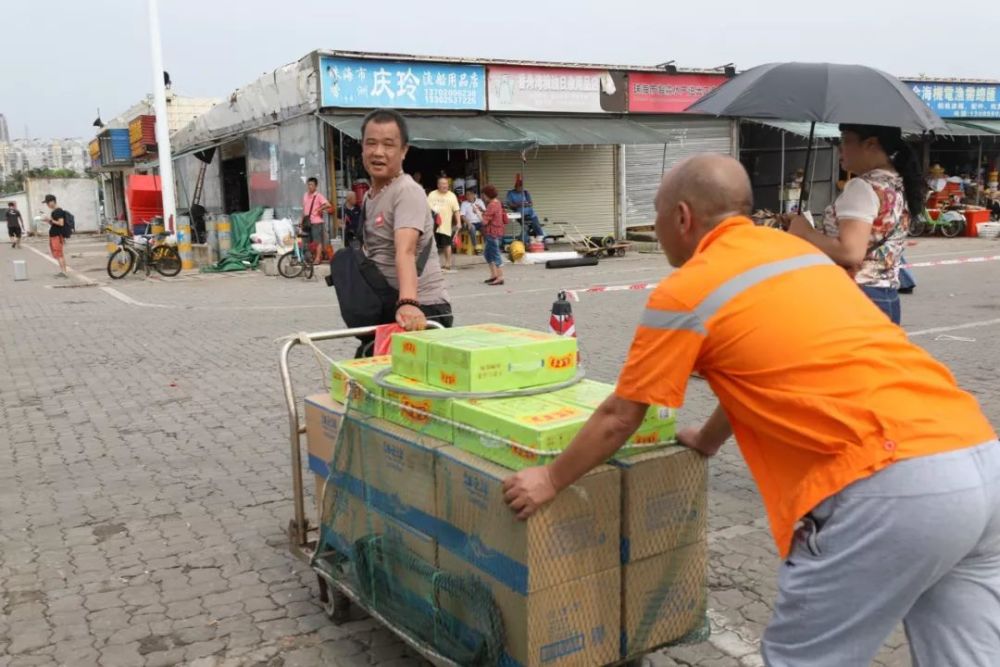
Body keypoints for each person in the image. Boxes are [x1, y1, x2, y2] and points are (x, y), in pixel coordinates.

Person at [503, 154, 999, 667]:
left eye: (656, 213)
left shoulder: (689, 289)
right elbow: (775, 364)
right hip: (975, 455)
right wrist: (709, 440)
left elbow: (620, 416)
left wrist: (551, 480)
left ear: (681, 218)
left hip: (887, 482)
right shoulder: (796, 253)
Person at [785, 125, 924, 325]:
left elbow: (850, 252)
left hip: (858, 296)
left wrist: (804, 232)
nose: (839, 148)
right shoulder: (895, 182)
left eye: (846, 140)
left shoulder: (863, 187)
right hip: (885, 296)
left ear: (870, 144)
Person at [359, 108, 452, 336]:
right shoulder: (369, 197)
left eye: (388, 145)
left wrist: (409, 301)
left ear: (404, 151)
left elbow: (406, 250)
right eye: (371, 143)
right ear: (362, 147)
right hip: (389, 304)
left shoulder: (407, 191)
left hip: (421, 308)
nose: (378, 152)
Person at [427, 176, 461, 272]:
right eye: (442, 184)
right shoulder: (432, 194)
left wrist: (458, 222)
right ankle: (433, 265)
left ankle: (448, 264)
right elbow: (426, 208)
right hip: (433, 226)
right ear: (438, 185)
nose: (445, 186)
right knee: (432, 246)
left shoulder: (452, 196)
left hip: (445, 225)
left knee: (447, 244)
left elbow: (456, 210)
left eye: (446, 184)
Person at [480, 184, 505, 286]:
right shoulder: (497, 202)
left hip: (492, 233)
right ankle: (494, 275)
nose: (483, 197)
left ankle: (500, 277)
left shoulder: (492, 205)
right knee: (488, 254)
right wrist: (482, 211)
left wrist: (477, 212)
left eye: (484, 195)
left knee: (495, 254)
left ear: (488, 194)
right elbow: (489, 215)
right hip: (494, 232)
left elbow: (484, 221)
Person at [302, 177, 332, 265]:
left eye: (311, 185)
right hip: (307, 221)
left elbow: (328, 205)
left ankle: (318, 258)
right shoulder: (305, 195)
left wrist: (319, 209)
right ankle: (310, 257)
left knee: (317, 241)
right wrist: (301, 222)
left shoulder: (318, 196)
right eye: (309, 184)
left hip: (316, 222)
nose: (310, 186)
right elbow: (304, 209)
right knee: (307, 240)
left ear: (316, 186)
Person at [505, 175, 544, 240]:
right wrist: (519, 204)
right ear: (515, 187)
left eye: (521, 187)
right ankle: (522, 241)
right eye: (519, 187)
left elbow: (531, 203)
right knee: (526, 227)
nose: (520, 189)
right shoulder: (510, 193)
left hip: (531, 213)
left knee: (536, 227)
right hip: (520, 214)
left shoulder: (525, 192)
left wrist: (527, 204)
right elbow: (509, 205)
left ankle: (539, 239)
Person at [43, 194, 69, 277]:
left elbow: (61, 223)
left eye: (47, 203)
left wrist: (50, 220)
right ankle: (63, 271)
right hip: (55, 235)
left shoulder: (58, 211)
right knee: (58, 254)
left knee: (59, 254)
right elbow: (55, 224)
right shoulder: (55, 211)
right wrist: (49, 221)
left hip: (56, 236)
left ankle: (64, 272)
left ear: (52, 202)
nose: (47, 205)